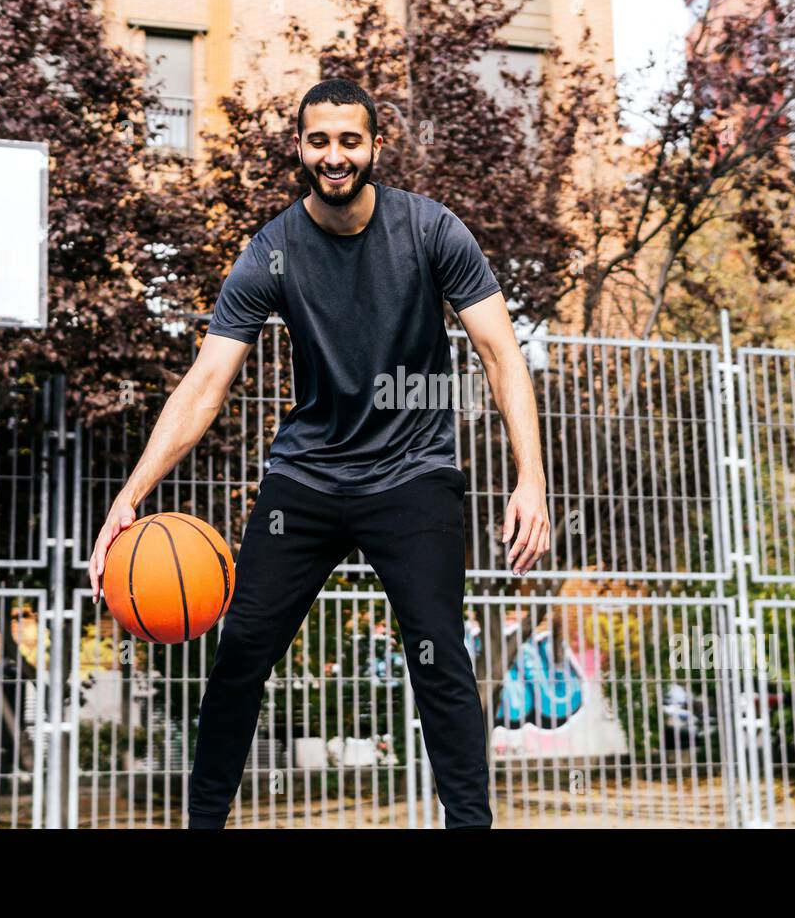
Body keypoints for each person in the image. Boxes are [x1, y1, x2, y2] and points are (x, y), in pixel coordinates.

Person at [88, 78, 549, 829]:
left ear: (374, 146)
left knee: (440, 659)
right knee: (241, 654)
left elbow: (500, 353)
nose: (334, 156)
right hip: (306, 478)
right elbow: (207, 381)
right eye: (319, 141)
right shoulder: (272, 251)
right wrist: (130, 495)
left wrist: (530, 477)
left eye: (349, 141)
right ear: (299, 148)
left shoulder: (433, 232)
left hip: (413, 475)